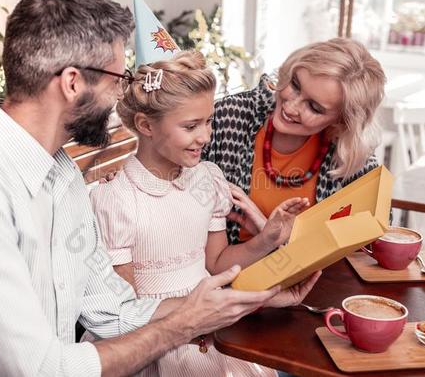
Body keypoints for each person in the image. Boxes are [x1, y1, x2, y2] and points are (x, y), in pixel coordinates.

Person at [0, 0, 318, 377]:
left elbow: (114, 308)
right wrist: (183, 325)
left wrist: (245, 300)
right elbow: (40, 371)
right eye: (119, 79)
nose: (123, 96)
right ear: (73, 82)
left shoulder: (62, 176)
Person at [90, 48, 320, 376]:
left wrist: (267, 239)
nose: (206, 136)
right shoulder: (116, 199)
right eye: (191, 125)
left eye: (209, 121)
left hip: (214, 333)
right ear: (145, 125)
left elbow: (216, 263)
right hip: (159, 342)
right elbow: (128, 312)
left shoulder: (207, 179)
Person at [202, 38, 386, 244]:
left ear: (341, 122)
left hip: (310, 274)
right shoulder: (230, 116)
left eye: (314, 108)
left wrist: (274, 236)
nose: (291, 107)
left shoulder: (350, 153)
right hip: (217, 270)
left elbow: (375, 231)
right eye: (295, 85)